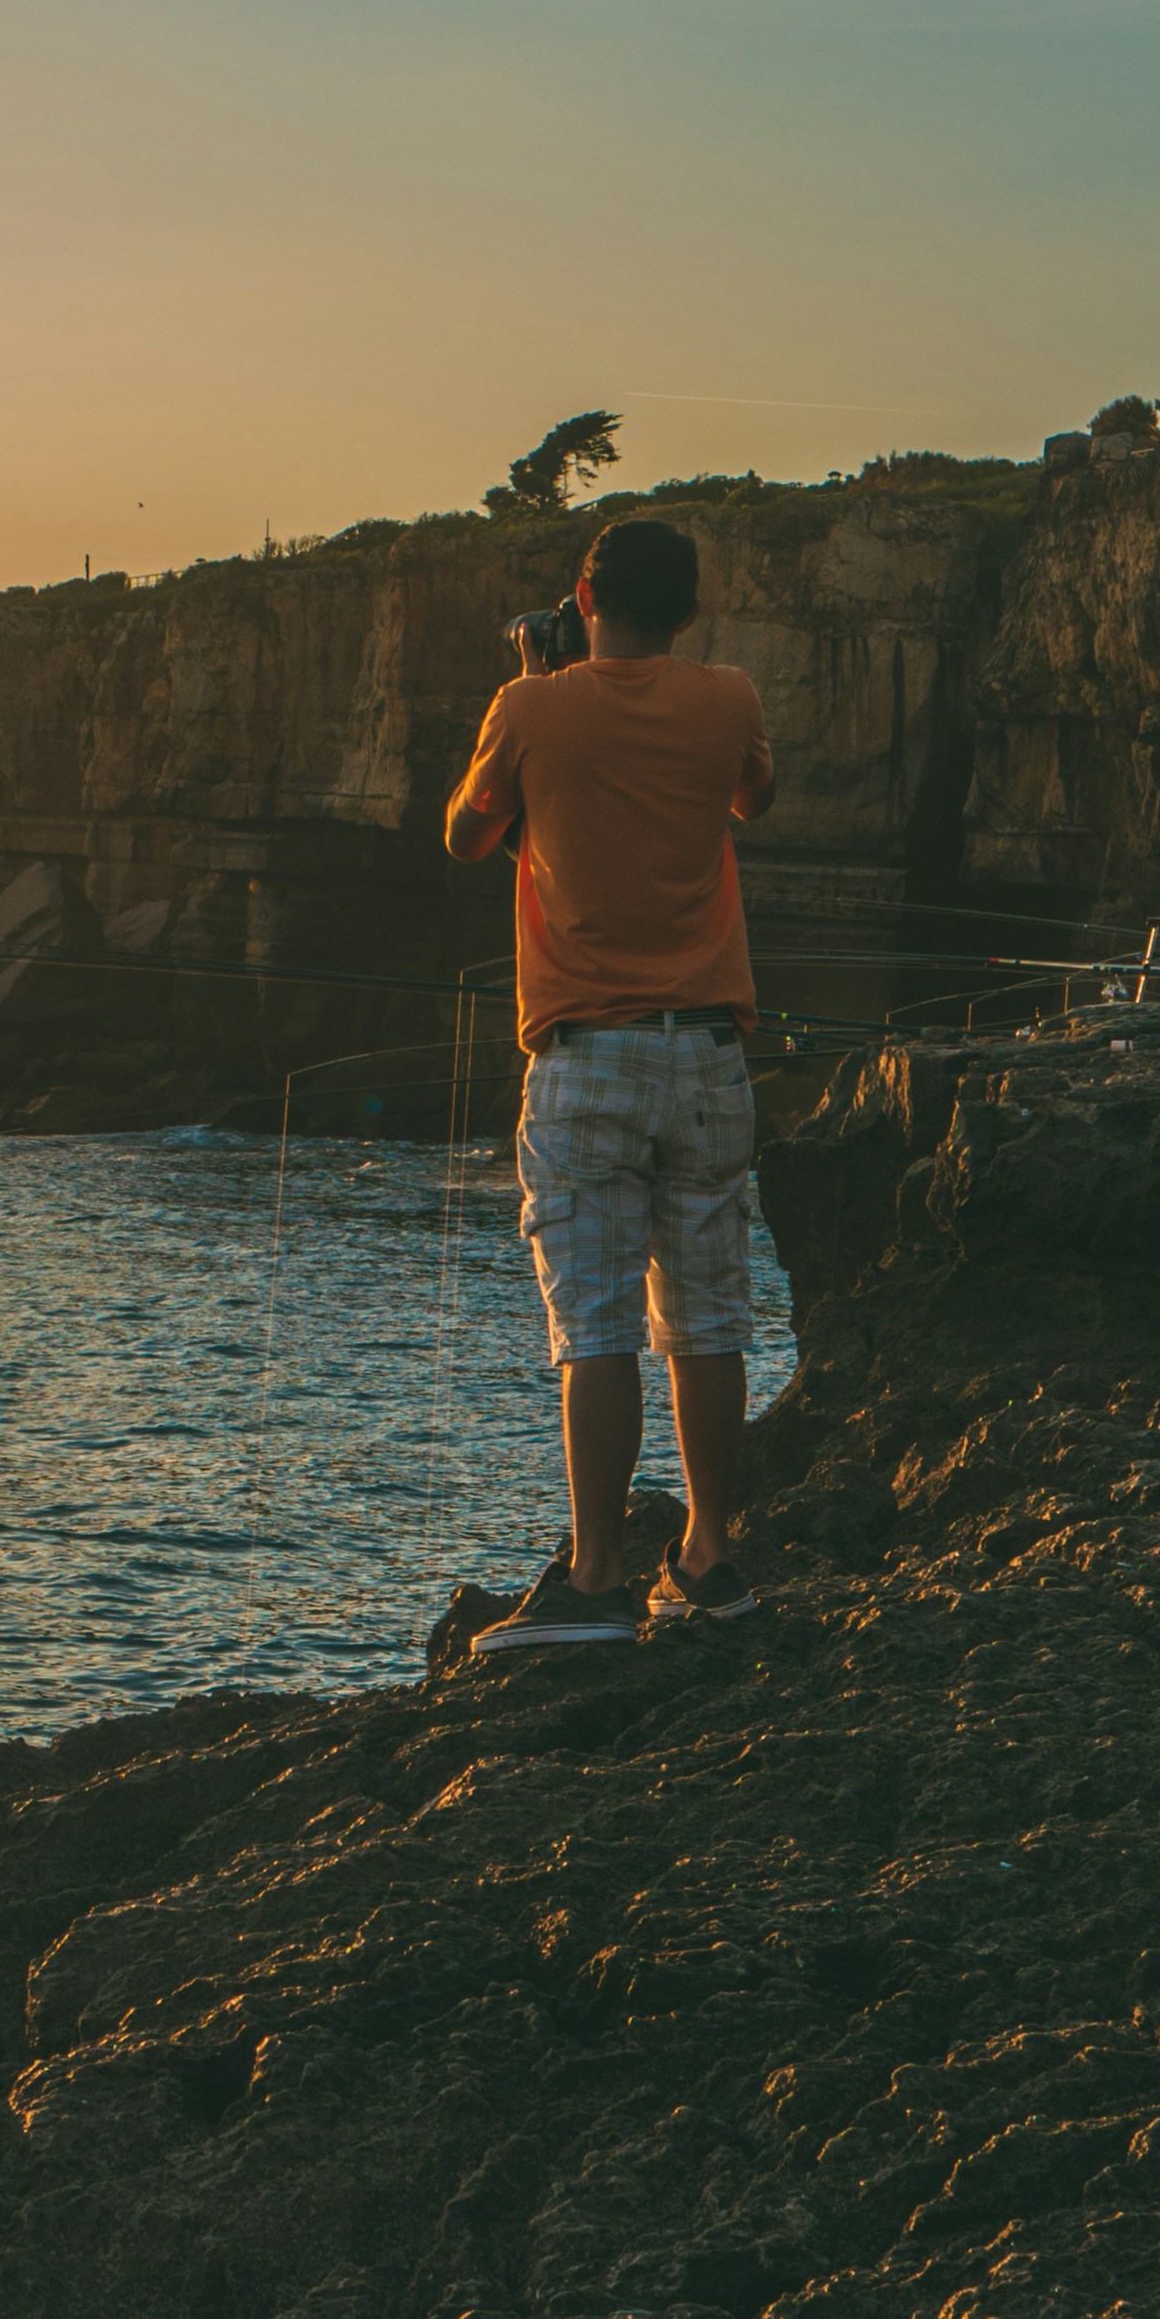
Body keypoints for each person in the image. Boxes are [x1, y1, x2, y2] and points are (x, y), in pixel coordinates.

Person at [440, 512, 778, 1626]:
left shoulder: (530, 707)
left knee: (595, 1325)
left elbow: (467, 834)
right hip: (710, 1054)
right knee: (710, 1310)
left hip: (588, 1053)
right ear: (685, 611)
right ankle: (710, 1554)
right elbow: (751, 797)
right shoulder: (726, 695)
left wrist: (539, 684)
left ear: (583, 599)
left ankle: (594, 1580)